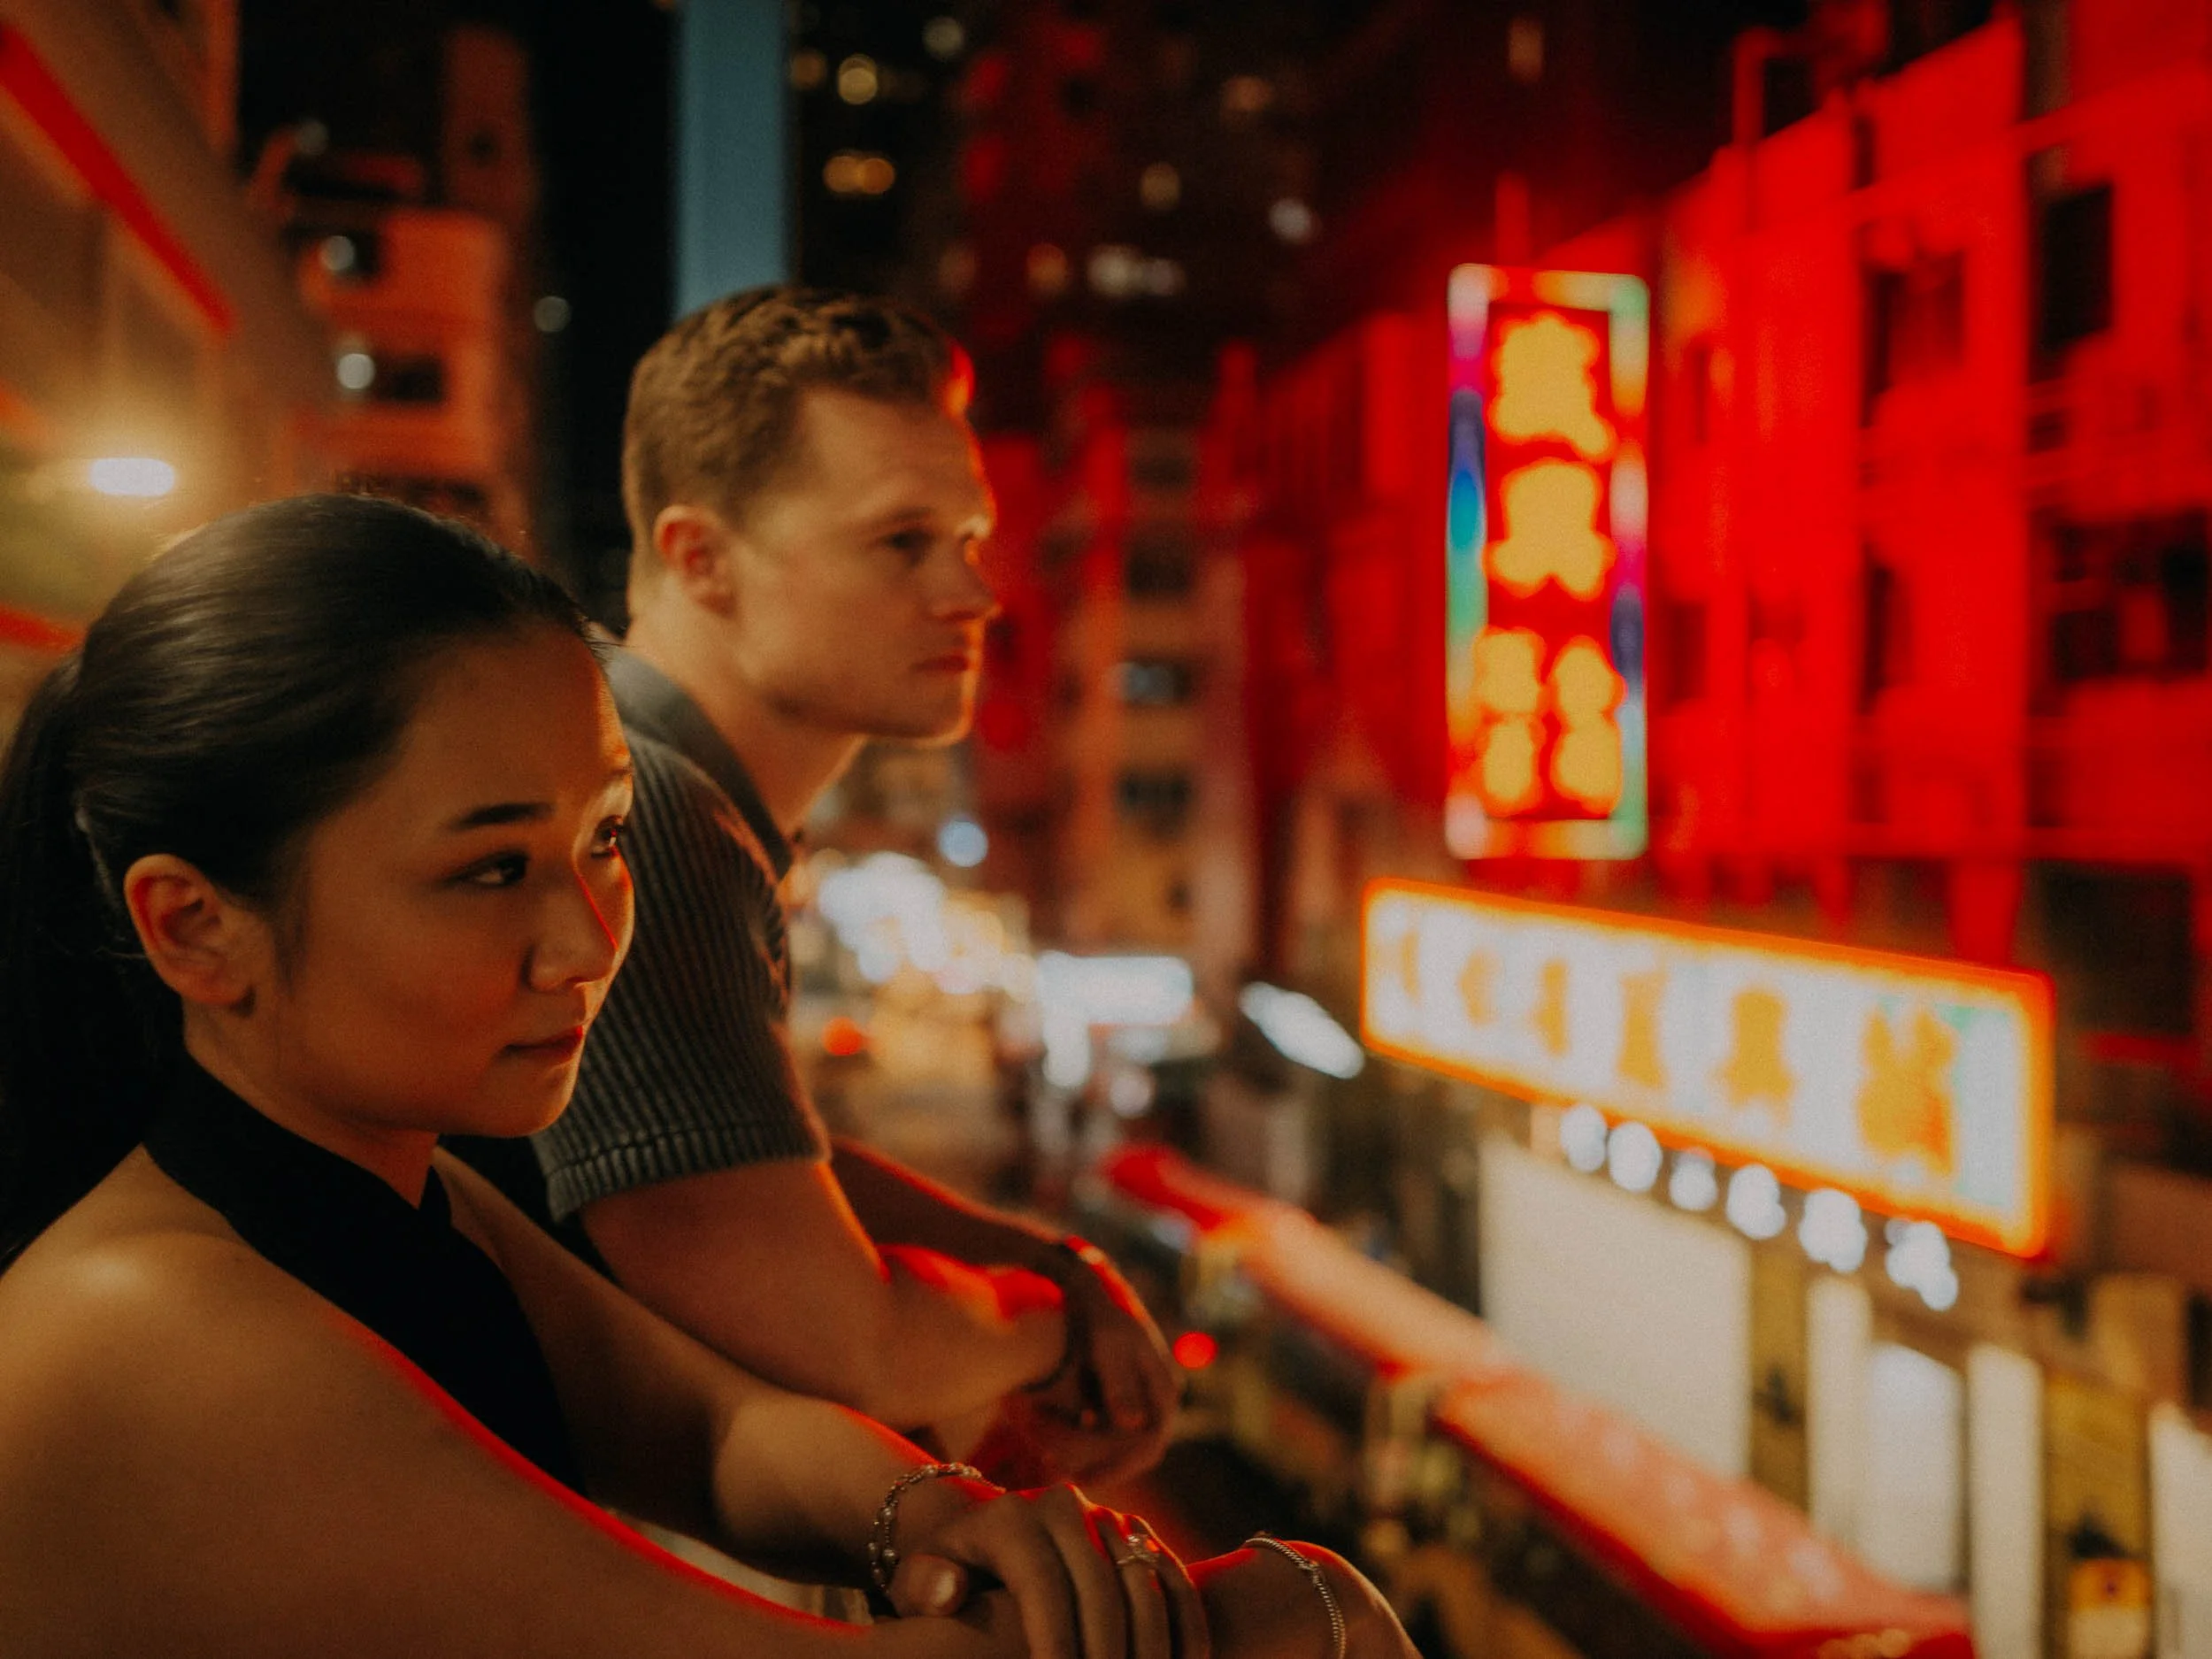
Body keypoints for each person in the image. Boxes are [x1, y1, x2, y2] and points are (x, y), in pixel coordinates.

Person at [0, 494, 1412, 1659]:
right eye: (491, 868)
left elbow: (717, 1429)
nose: (586, 939)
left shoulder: (388, 1183)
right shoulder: (155, 1333)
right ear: (193, 924)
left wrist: (931, 1513)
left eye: (607, 838)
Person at [527, 288, 1171, 1484]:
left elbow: (766, 1166)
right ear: (699, 557)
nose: (973, 595)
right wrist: (1054, 1326)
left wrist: (1052, 1263)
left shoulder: (663, 786)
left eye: (972, 543)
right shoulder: (638, 813)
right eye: (902, 542)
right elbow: (840, 1339)